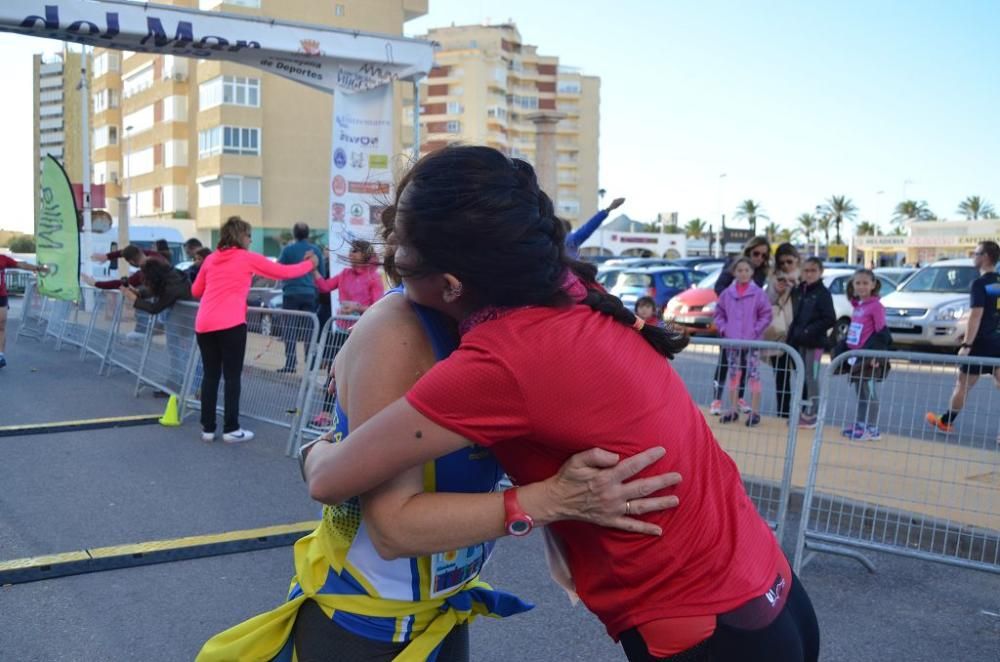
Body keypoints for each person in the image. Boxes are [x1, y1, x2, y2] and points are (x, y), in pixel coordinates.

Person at [303, 146, 819, 661]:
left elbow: (334, 486)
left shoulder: (502, 356)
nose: (391, 257)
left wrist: (316, 449)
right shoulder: (571, 292)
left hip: (705, 625)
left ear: (451, 283)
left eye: (400, 248)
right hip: (770, 590)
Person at [198, 245, 684, 662]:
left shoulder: (500, 329)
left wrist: (561, 536)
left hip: (444, 606)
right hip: (362, 618)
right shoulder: (400, 328)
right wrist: (552, 503)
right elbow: (391, 527)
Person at [190, 216, 317, 444]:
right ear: (241, 236)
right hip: (230, 323)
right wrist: (310, 265)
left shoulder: (210, 259)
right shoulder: (246, 258)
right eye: (249, 236)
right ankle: (231, 428)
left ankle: (207, 428)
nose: (250, 240)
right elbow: (283, 273)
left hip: (204, 323)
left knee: (210, 375)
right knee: (231, 376)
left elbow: (196, 291)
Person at [926, 241, 1000, 434]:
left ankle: (946, 421)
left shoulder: (980, 283)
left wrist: (967, 344)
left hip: (982, 342)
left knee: (963, 384)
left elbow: (976, 316)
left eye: (975, 253)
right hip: (998, 339)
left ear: (985, 257)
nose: (972, 256)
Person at [309, 239, 385, 426]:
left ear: (365, 255)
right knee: (332, 373)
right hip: (340, 332)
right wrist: (313, 269)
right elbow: (325, 287)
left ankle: (353, 418)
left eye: (355, 251)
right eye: (351, 251)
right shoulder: (344, 274)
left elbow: (378, 307)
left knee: (356, 376)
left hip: (361, 334)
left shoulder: (374, 278)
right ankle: (326, 414)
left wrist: (356, 307)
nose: (351, 255)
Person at [710, 236, 772, 415]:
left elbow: (765, 313)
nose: (759, 257)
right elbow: (719, 312)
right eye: (756, 253)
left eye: (763, 255)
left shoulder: (758, 290)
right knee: (730, 371)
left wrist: (755, 330)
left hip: (751, 340)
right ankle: (724, 403)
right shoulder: (727, 291)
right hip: (731, 339)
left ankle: (752, 410)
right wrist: (725, 328)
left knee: (751, 373)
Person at [120, 259, 195, 396]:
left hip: (185, 323)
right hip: (181, 319)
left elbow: (155, 307)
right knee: (177, 354)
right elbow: (158, 289)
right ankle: (176, 384)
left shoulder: (173, 286)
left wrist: (134, 299)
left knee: (180, 355)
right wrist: (139, 293)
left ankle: (182, 388)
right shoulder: (171, 276)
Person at [833, 269, 890, 441]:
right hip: (856, 356)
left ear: (873, 285)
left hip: (869, 357)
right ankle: (860, 423)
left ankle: (871, 427)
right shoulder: (858, 306)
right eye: (858, 283)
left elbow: (881, 331)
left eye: (865, 283)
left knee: (870, 392)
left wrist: (875, 356)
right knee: (860, 392)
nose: (861, 286)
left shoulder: (876, 307)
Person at [786, 258, 835, 429]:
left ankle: (814, 413)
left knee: (812, 377)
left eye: (813, 270)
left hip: (815, 343)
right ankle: (804, 410)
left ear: (820, 272)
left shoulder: (823, 293)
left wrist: (808, 331)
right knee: (802, 376)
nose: (809, 274)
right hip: (799, 342)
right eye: (806, 270)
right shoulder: (801, 290)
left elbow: (829, 318)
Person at [84, 245, 168, 342]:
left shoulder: (145, 273)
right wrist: (107, 256)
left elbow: (119, 284)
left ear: (131, 262)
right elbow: (127, 251)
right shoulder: (155, 255)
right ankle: (145, 329)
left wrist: (96, 283)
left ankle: (143, 330)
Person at [277, 223, 324, 373]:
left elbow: (278, 270)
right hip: (310, 293)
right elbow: (320, 272)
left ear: (294, 234)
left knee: (289, 329)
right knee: (309, 329)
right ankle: (309, 363)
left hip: (290, 293)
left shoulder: (288, 250)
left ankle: (291, 364)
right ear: (308, 234)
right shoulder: (315, 250)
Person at [0, 254, 49, 369]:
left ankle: (0, 356)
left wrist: (38, 268)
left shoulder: (2, 258)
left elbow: (21, 264)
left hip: (1, 296)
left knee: (1, 325)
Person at [763, 268, 799, 419]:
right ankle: (783, 413)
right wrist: (776, 291)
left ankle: (804, 414)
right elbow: (764, 306)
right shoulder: (769, 292)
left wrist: (793, 285)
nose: (785, 283)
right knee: (781, 378)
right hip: (777, 338)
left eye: (787, 279)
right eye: (780, 279)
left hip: (796, 337)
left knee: (802, 377)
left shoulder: (797, 291)